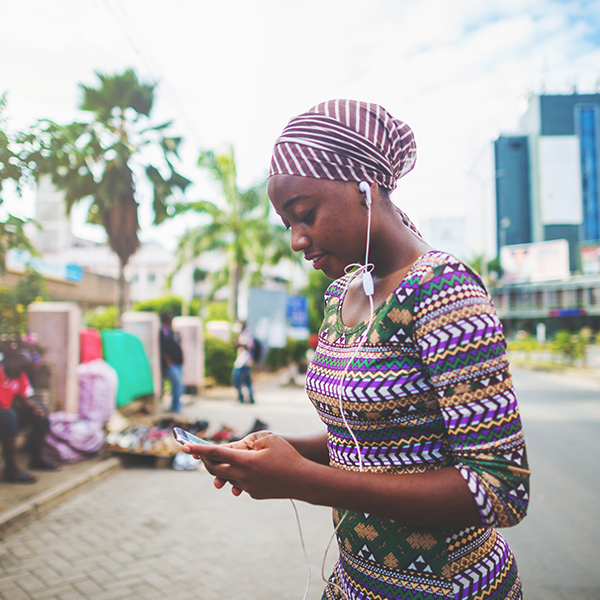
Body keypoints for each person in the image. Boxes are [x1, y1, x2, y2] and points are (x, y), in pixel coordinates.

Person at [184, 100, 530, 600]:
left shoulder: (443, 290)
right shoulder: (340, 297)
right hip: (356, 584)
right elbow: (373, 440)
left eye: (306, 214)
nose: (297, 240)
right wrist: (278, 450)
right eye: (287, 225)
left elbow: (501, 490)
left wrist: (303, 480)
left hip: (448, 588)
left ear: (364, 185)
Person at [0, 348, 59, 483]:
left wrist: (35, 407)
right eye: (19, 364)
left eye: (24, 367)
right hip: (4, 415)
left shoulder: (19, 375)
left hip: (7, 415)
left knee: (39, 412)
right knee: (8, 416)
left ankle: (37, 459)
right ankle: (11, 470)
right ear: (10, 360)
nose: (20, 368)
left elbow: (24, 398)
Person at [159, 312, 184, 413]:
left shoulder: (171, 331)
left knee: (179, 386)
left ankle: (176, 406)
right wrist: (168, 361)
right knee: (177, 385)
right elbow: (164, 347)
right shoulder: (164, 331)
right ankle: (175, 407)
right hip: (171, 364)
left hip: (176, 363)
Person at [232, 322, 255, 404]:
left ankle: (244, 397)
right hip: (241, 361)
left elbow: (247, 346)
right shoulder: (241, 334)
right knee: (244, 380)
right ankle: (246, 397)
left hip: (244, 361)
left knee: (238, 378)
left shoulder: (246, 334)